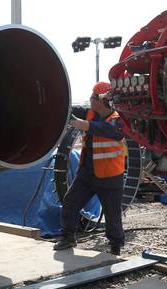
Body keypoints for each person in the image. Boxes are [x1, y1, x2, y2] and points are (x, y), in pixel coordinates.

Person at [54, 81, 126, 255]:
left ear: (102, 100)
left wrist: (82, 124)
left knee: (112, 214)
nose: (90, 99)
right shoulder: (89, 113)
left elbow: (103, 129)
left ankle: (115, 245)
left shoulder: (117, 121)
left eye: (93, 97)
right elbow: (70, 110)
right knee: (71, 202)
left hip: (110, 176)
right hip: (87, 174)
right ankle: (68, 236)